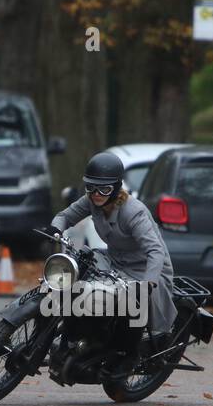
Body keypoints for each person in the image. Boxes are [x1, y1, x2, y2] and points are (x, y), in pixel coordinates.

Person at [47, 150, 176, 364]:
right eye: (91, 187)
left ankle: (126, 355)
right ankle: (79, 332)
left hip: (146, 269)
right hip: (115, 261)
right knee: (81, 267)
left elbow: (155, 251)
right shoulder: (91, 201)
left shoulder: (133, 212)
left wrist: (149, 283)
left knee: (132, 300)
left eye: (104, 188)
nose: (96, 193)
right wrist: (55, 229)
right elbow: (65, 216)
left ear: (116, 188)